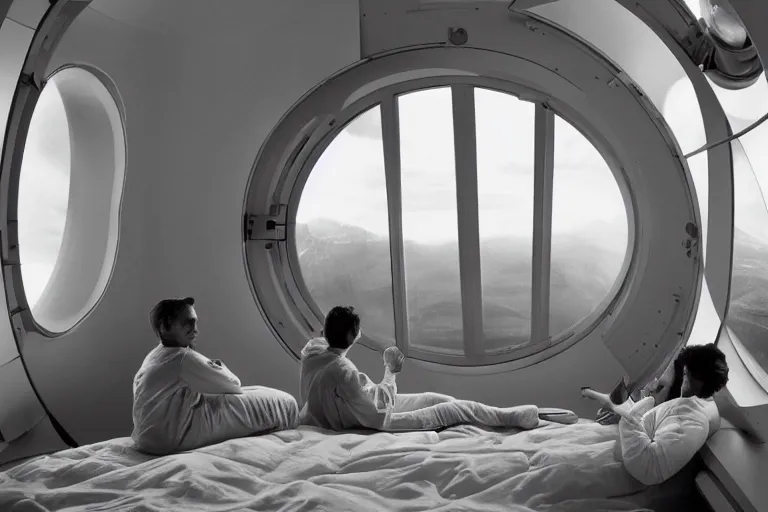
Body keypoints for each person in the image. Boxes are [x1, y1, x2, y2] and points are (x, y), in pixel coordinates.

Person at [298, 306, 578, 432]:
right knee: (452, 409)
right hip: (363, 419)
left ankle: (482, 423)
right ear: (355, 335)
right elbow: (376, 411)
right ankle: (516, 416)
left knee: (438, 399)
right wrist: (390, 370)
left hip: (349, 409)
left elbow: (327, 342)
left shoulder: (313, 353)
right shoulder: (343, 371)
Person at [131, 297, 298, 455]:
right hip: (169, 441)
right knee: (283, 401)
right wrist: (215, 366)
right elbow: (233, 385)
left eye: (195, 322)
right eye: (188, 322)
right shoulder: (182, 357)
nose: (195, 329)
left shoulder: (153, 356)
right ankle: (289, 431)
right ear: (164, 327)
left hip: (146, 439)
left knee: (255, 392)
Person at [582, 343, 729, 486]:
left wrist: (627, 418)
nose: (650, 387)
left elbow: (649, 461)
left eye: (660, 387)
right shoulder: (659, 406)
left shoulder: (688, 420)